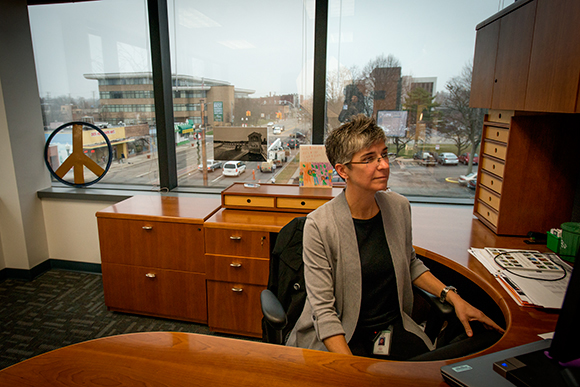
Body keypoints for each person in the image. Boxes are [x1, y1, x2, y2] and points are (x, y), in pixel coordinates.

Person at [286, 114, 504, 360]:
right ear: (342, 170)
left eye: (384, 154)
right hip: (342, 335)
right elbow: (324, 313)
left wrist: (452, 297)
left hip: (390, 328)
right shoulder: (320, 225)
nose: (384, 165)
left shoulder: (398, 207)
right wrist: (351, 371)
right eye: (369, 159)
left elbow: (409, 264)